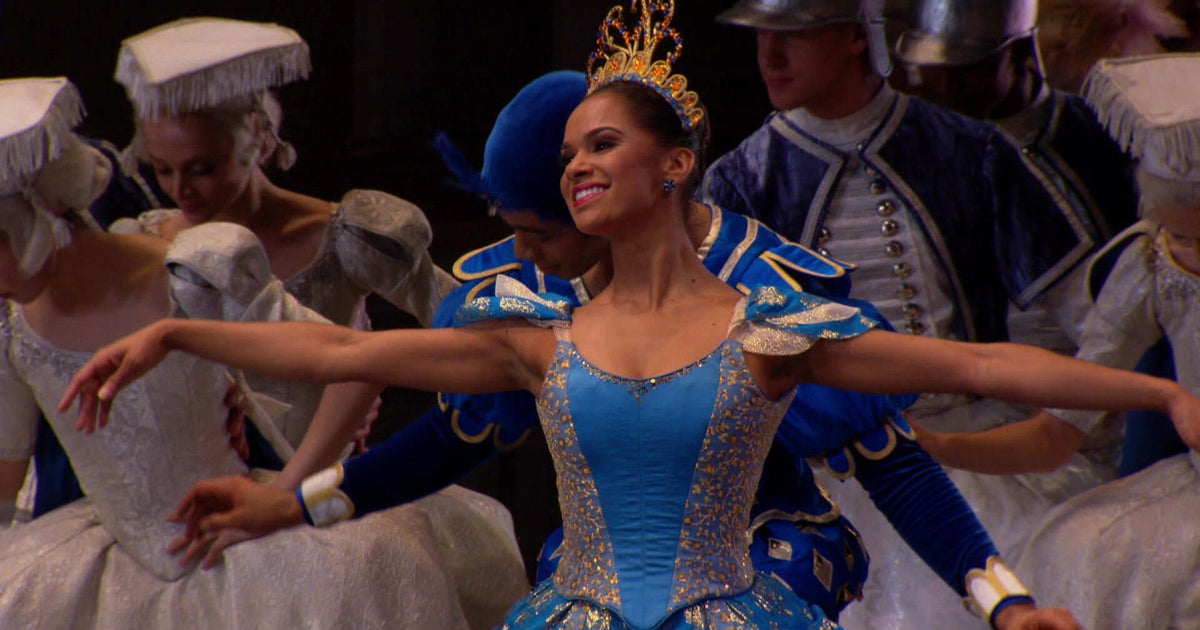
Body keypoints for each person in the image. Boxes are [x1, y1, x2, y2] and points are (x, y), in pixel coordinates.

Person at [63, 4, 1200, 628]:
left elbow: (984, 373)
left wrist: (1154, 397)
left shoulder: (773, 321)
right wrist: (177, 334)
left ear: (678, 166)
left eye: (601, 144)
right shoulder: (534, 333)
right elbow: (338, 348)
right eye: (567, 159)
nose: (576, 173)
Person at [391, 69, 1039, 622]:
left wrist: (1004, 602)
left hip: (759, 557)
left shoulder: (761, 297)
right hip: (604, 577)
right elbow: (447, 428)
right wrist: (319, 498)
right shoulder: (535, 294)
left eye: (544, 233)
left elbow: (894, 463)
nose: (528, 256)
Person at [0, 77, 527, 630]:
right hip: (106, 572)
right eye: (164, 169)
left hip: (256, 555)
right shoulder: (12, 326)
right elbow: (6, 482)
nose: (183, 187)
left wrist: (290, 493)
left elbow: (358, 360)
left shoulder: (196, 269)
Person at [699, 1, 1133, 626]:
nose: (770, 55)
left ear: (853, 37)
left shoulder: (970, 151)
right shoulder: (740, 184)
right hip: (823, 474)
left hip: (976, 456)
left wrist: (1058, 431)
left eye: (794, 34)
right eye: (762, 35)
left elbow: (1092, 317)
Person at [972, 53, 1200, 629]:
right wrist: (925, 446)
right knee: (1078, 546)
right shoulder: (1152, 265)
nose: (1189, 254)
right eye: (1182, 238)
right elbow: (1059, 429)